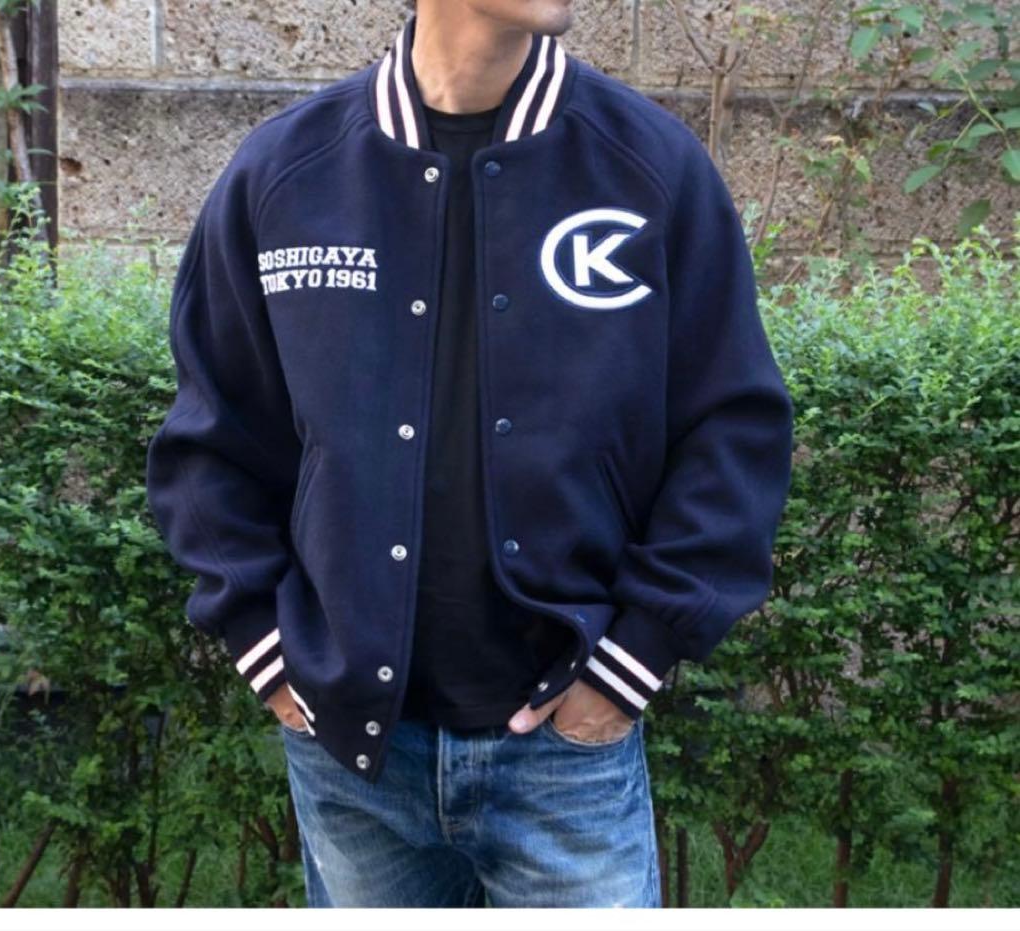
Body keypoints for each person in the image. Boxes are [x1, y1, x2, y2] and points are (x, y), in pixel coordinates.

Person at [145, 0, 794, 908]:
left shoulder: (648, 165)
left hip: (567, 747)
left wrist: (630, 662)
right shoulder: (286, 172)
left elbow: (733, 430)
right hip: (351, 755)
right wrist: (264, 643)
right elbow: (211, 438)